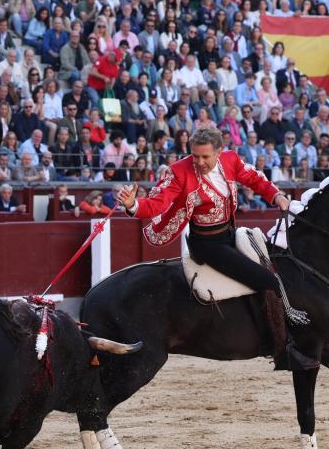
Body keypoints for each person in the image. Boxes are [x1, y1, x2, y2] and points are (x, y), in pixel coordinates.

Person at [116, 127, 311, 367]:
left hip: (231, 234)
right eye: (195, 156)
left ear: (219, 152)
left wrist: (277, 196)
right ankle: (283, 350)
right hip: (207, 245)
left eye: (205, 157)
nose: (199, 162)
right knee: (268, 281)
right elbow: (158, 203)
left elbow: (254, 178)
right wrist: (133, 205)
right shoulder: (179, 172)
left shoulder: (231, 160)